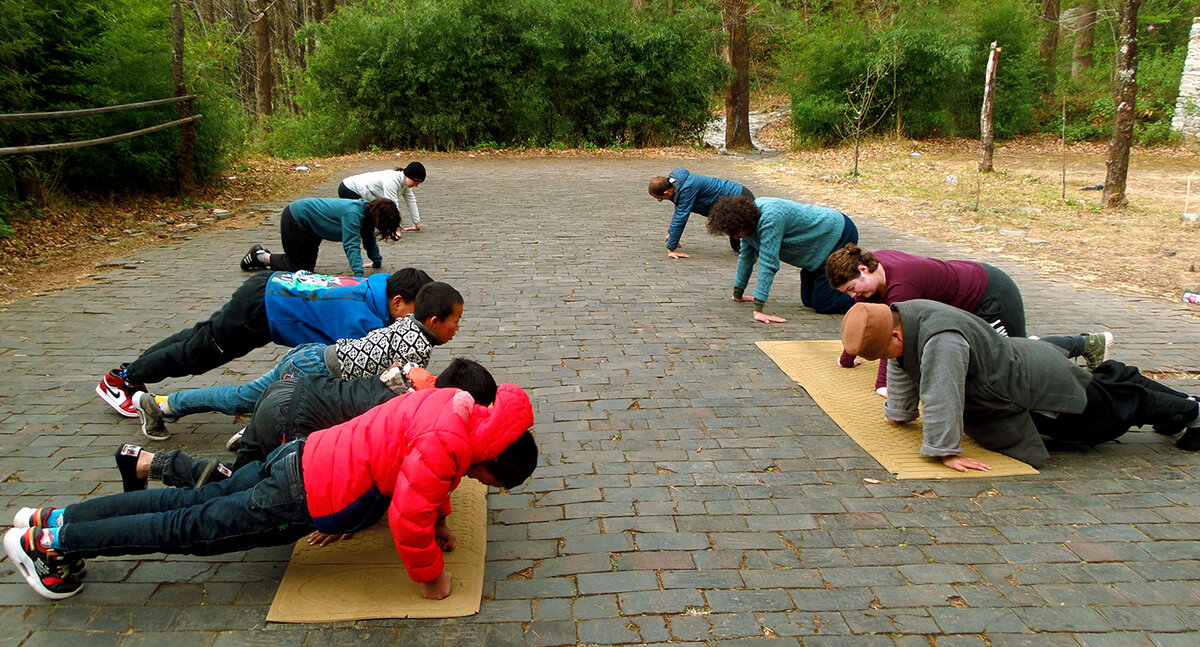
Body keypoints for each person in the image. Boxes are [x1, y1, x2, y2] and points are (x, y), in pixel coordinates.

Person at [4, 383, 538, 601]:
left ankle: (53, 518)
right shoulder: (451, 445)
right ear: (492, 460)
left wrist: (442, 520)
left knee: (186, 502)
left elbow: (427, 475)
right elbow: (407, 517)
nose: (482, 485)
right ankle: (50, 546)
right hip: (302, 495)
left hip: (301, 454)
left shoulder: (456, 407)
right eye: (494, 481)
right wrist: (432, 581)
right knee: (187, 528)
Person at [840, 300, 1200, 474]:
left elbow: (941, 393)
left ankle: (1192, 411)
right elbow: (902, 366)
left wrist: (944, 450)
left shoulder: (941, 342)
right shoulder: (905, 314)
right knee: (1108, 389)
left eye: (885, 350)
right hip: (1019, 369)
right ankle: (1128, 379)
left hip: (1038, 383)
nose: (889, 358)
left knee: (1112, 415)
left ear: (895, 333)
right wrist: (898, 414)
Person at [130, 282, 463, 440]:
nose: (457, 329)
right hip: (312, 369)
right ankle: (161, 405)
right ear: (433, 321)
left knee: (248, 397)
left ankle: (169, 405)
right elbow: (396, 392)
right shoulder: (416, 344)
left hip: (312, 356)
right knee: (242, 399)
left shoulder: (405, 324)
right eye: (455, 322)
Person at [118, 358, 498, 491]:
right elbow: (358, 464)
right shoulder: (416, 414)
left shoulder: (417, 379)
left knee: (239, 478)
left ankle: (144, 462)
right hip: (291, 418)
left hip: (290, 393)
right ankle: (154, 464)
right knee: (241, 489)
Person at [96, 268, 433, 418]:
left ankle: (131, 372)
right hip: (264, 309)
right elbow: (348, 370)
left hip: (270, 288)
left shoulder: (375, 288)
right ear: (398, 300)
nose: (411, 322)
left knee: (201, 336)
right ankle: (120, 380)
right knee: (200, 353)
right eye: (413, 313)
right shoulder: (364, 319)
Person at [826, 243, 1112, 396]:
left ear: (863, 269)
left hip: (990, 294)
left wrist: (883, 385)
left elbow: (890, 337)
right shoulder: (877, 270)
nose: (853, 297)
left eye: (852, 289)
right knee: (1005, 355)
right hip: (965, 298)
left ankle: (1086, 343)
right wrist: (848, 356)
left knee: (1015, 356)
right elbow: (865, 322)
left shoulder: (903, 287)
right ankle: (1081, 345)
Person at [706, 195, 857, 323]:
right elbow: (746, 257)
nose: (735, 237)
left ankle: (868, 296)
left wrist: (759, 308)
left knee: (823, 304)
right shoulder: (746, 226)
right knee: (808, 301)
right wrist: (738, 292)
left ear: (744, 223)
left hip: (837, 233)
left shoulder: (771, 218)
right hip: (816, 248)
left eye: (736, 233)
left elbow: (768, 262)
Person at [240, 198, 400, 279]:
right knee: (298, 268)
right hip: (297, 218)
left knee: (306, 268)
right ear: (378, 216)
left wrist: (376, 261)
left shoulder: (367, 216)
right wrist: (358, 276)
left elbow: (369, 240)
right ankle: (260, 256)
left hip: (312, 228)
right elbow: (351, 245)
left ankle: (266, 256)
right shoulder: (354, 213)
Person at [648, 168, 753, 258]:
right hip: (731, 202)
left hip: (739, 199)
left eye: (660, 199)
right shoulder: (677, 184)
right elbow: (679, 210)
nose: (662, 200)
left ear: (666, 192)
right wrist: (672, 233)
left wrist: (671, 249)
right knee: (737, 247)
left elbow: (681, 217)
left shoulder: (686, 188)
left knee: (747, 248)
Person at [339, 162, 426, 232]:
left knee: (371, 219)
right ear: (407, 176)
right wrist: (395, 228)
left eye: (418, 183)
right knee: (363, 220)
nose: (416, 186)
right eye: (415, 182)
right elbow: (392, 205)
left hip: (363, 194)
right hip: (348, 188)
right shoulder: (391, 181)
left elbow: (411, 201)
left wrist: (417, 223)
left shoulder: (405, 183)